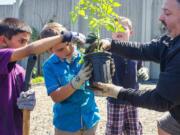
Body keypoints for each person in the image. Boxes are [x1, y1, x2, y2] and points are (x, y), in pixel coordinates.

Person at [91, 0, 180, 135]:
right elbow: (145, 50)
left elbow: (161, 100)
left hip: (133, 99)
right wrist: (111, 44)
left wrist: (117, 91)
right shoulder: (172, 40)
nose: (160, 17)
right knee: (165, 125)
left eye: (167, 13)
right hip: (121, 102)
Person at [0, 17, 85, 135]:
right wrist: (63, 36)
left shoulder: (20, 72)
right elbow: (30, 50)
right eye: (22, 41)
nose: (26, 45)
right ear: (3, 40)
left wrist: (26, 104)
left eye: (27, 42)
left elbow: (21, 107)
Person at [40, 22, 100, 135]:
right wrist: (75, 83)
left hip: (90, 119)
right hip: (66, 124)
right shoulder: (49, 66)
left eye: (69, 44)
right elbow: (56, 97)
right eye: (60, 49)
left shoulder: (85, 57)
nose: (68, 50)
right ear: (50, 50)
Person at [106, 16, 149, 135]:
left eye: (123, 28)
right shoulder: (107, 51)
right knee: (114, 129)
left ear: (131, 32)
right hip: (115, 98)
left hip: (133, 98)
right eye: (115, 28)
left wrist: (144, 71)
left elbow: (140, 66)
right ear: (111, 32)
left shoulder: (135, 50)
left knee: (134, 128)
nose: (118, 30)